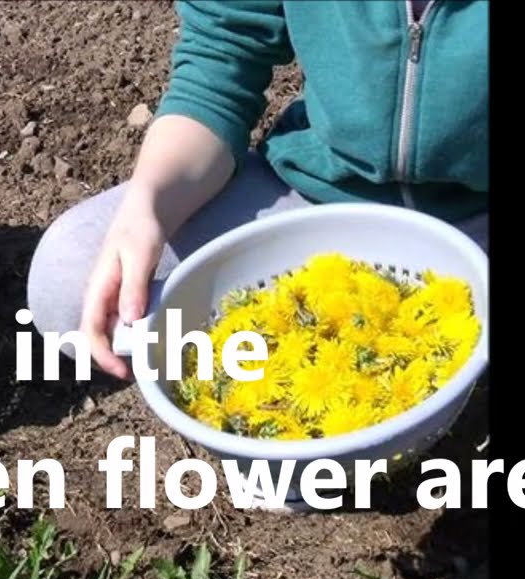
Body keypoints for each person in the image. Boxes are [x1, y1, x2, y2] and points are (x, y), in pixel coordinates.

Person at [27, 0, 488, 380]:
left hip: (477, 220)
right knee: (71, 276)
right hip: (317, 200)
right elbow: (220, 63)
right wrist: (149, 206)